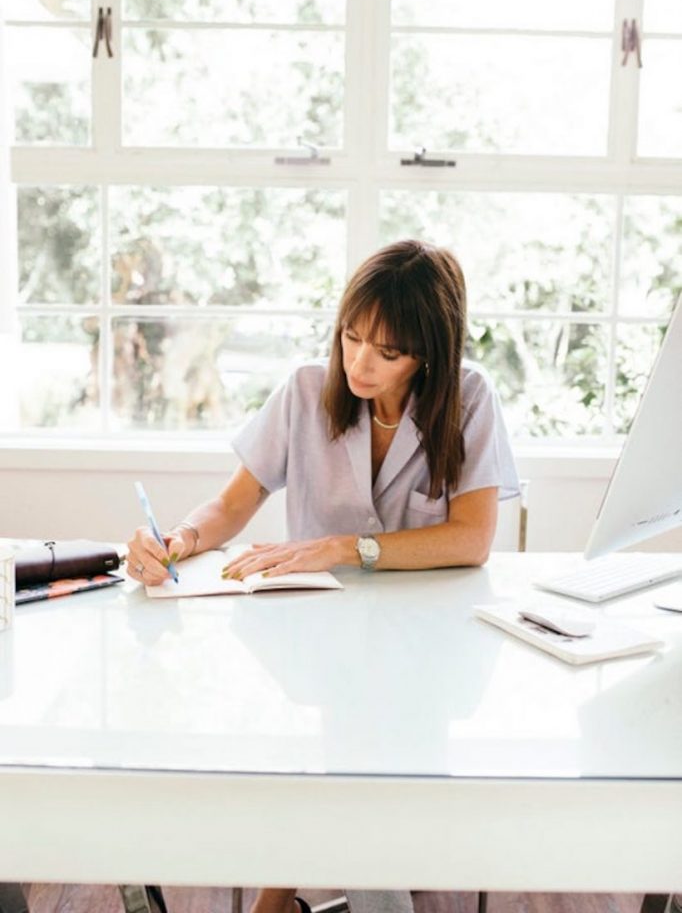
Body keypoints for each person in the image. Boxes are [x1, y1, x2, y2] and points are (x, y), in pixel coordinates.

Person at [127, 238, 519, 913]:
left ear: (429, 352)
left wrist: (345, 547)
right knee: (333, 763)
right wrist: (178, 540)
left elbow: (473, 538)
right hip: (314, 637)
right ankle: (311, 891)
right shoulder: (308, 390)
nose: (360, 362)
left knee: (364, 781)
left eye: (388, 352)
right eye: (351, 337)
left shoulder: (469, 400)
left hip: (423, 648)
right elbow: (232, 505)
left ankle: (289, 896)